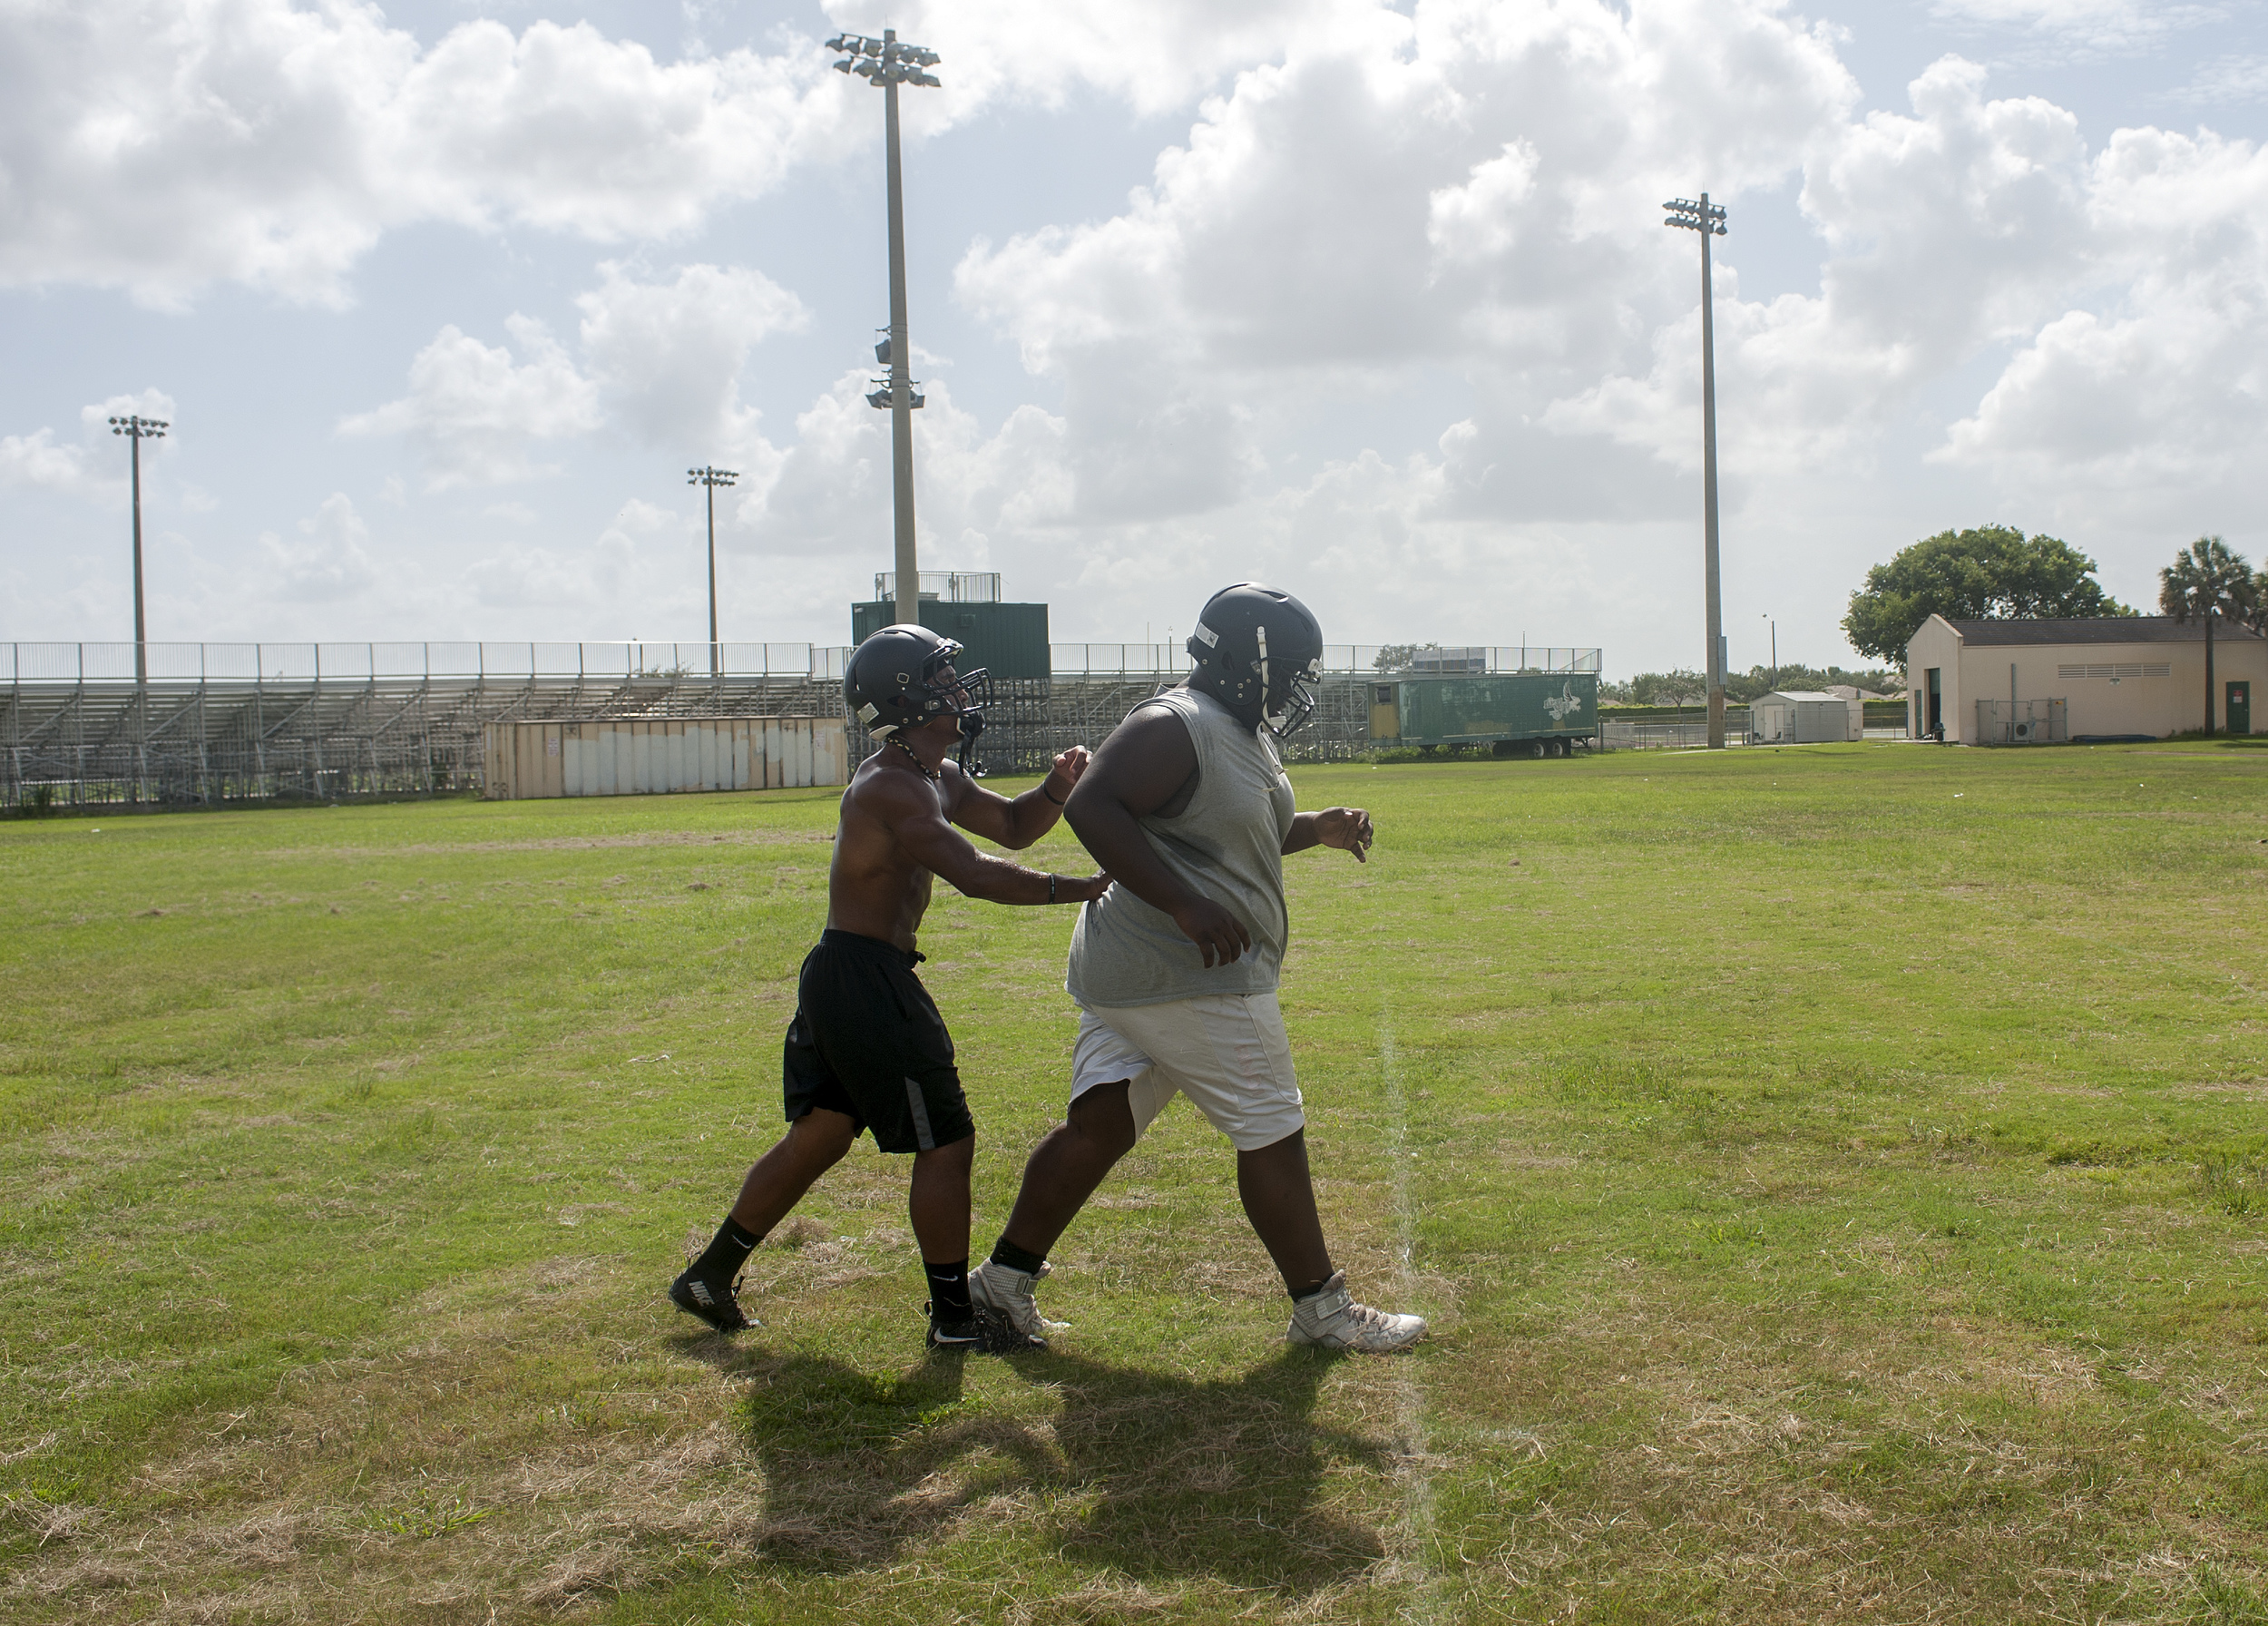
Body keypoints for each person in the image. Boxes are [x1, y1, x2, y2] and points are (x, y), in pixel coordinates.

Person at [969, 583, 1426, 1354]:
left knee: (1099, 1126)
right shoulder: (1172, 723)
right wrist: (1184, 904)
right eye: (1288, 670)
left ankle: (1000, 1284)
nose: (1295, 687)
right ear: (1249, 663)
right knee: (1273, 1128)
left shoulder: (1236, 728)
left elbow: (1225, 832)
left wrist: (1317, 828)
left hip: (1136, 975)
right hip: (1187, 972)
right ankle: (1321, 1306)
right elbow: (1092, 807)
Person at [670, 623, 1109, 1350]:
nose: (959, 691)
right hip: (864, 977)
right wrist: (1078, 889)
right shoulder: (892, 786)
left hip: (849, 974)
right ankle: (954, 1320)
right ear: (905, 699)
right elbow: (974, 873)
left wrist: (1057, 787)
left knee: (822, 1135)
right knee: (947, 1142)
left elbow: (1009, 825)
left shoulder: (936, 774)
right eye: (941, 680)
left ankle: (709, 1275)